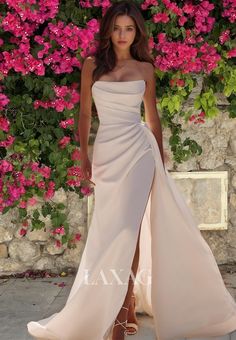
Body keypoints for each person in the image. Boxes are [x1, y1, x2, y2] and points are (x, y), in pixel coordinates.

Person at [27, 1, 236, 340]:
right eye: (117, 28)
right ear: (108, 30)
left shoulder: (145, 69)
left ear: (137, 32)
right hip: (108, 154)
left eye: (129, 28)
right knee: (115, 233)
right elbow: (83, 115)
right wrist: (84, 155)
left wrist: (161, 159)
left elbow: (152, 117)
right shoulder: (91, 66)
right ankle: (120, 304)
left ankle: (122, 314)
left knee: (130, 230)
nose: (123, 35)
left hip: (140, 153)